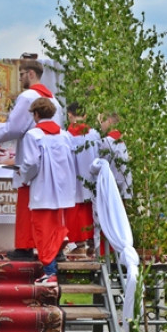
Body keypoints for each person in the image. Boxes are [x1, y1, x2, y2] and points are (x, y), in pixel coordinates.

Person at [0, 59, 61, 260]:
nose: (19, 79)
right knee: (50, 207)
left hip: (31, 156)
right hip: (52, 161)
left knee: (26, 204)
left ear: (30, 74)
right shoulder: (54, 100)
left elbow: (15, 127)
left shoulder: (28, 96)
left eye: (21, 75)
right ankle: (53, 246)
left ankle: (25, 246)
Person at [17, 98, 76, 284]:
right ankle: (62, 237)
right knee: (56, 224)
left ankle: (50, 272)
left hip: (43, 189)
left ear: (36, 115)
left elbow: (31, 163)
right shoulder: (65, 135)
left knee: (42, 230)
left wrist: (24, 176)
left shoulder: (33, 135)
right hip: (63, 190)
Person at [65, 102, 101, 256]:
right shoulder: (94, 134)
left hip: (72, 179)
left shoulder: (65, 136)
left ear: (69, 115)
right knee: (90, 210)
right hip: (90, 178)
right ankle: (92, 241)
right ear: (85, 115)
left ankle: (78, 243)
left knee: (74, 211)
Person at [99, 112, 132, 198]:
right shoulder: (124, 140)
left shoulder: (106, 142)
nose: (101, 125)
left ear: (109, 121)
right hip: (125, 186)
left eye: (102, 121)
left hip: (112, 188)